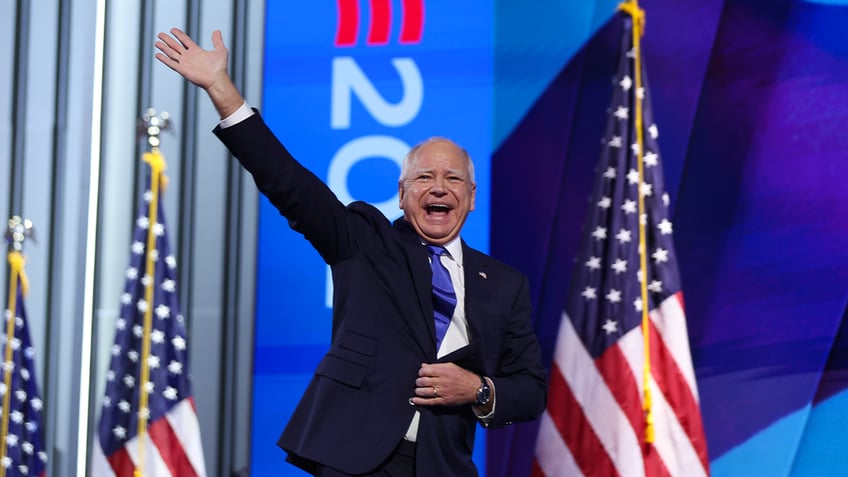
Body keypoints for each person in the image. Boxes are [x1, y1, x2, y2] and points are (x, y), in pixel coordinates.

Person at [155, 28, 547, 476]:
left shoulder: (503, 283)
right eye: (424, 178)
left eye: (453, 179)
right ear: (401, 195)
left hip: (443, 465)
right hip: (354, 460)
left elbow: (530, 388)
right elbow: (287, 181)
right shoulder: (364, 241)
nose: (439, 187)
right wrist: (220, 88)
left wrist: (478, 389)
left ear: (472, 197)